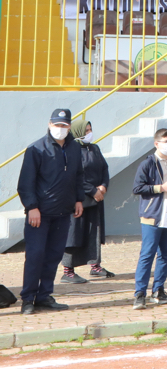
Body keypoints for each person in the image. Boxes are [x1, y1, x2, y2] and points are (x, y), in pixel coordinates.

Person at [17, 108, 83, 315]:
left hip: (63, 212)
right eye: (57, 124)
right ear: (49, 124)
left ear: (69, 126)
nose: (60, 128)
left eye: (64, 125)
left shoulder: (75, 148)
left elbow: (78, 175)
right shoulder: (36, 149)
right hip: (40, 214)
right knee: (35, 256)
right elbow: (25, 183)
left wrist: (79, 199)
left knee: (54, 256)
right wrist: (32, 207)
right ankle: (28, 298)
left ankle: (44, 295)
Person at [131, 129, 167, 309]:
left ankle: (158, 289)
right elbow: (137, 188)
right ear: (157, 144)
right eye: (166, 141)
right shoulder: (147, 163)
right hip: (152, 214)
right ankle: (140, 293)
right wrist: (160, 188)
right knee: (147, 254)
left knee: (165, 253)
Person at [60, 120, 111, 283]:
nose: (89, 133)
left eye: (90, 130)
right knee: (73, 234)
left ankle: (95, 266)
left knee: (94, 232)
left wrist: (103, 186)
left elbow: (104, 168)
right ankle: (68, 271)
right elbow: (74, 176)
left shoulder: (94, 148)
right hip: (78, 199)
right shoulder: (71, 151)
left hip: (96, 198)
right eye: (86, 130)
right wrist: (93, 191)